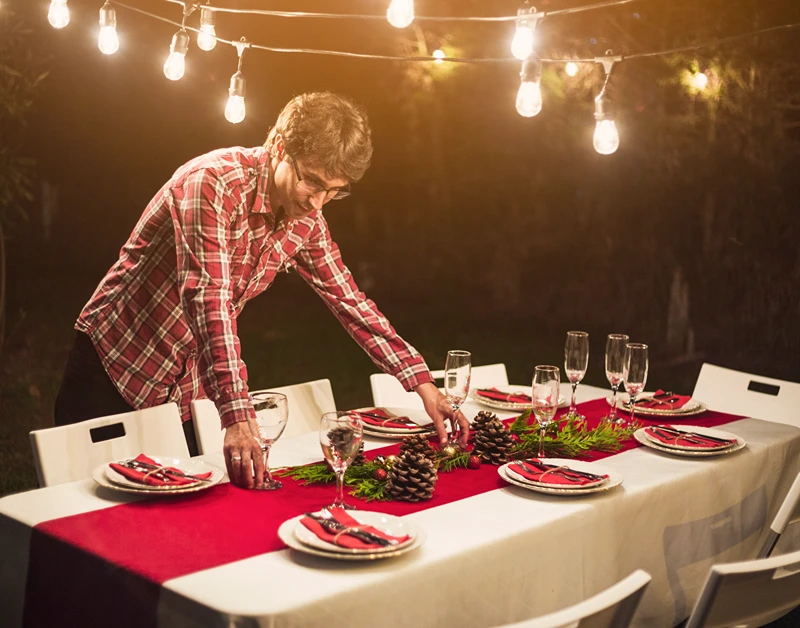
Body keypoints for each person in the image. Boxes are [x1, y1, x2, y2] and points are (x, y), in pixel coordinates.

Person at [55, 91, 469, 488]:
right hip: (116, 365)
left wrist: (421, 382)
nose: (319, 202)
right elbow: (208, 299)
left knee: (170, 520)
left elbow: (349, 299)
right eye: (312, 181)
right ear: (279, 146)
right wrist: (236, 415)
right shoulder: (211, 184)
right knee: (78, 514)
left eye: (335, 191)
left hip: (186, 386)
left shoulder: (306, 218)